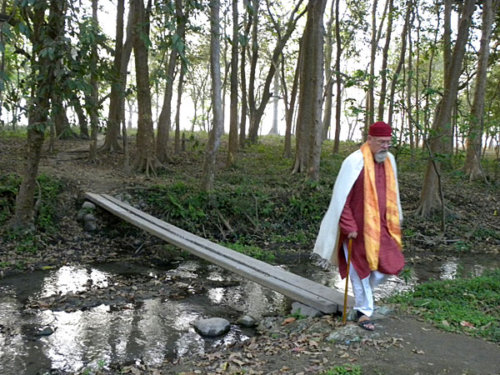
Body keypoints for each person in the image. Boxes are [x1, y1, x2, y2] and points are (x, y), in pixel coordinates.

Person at [313, 121, 405, 331]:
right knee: (360, 270)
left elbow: (393, 193)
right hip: (357, 230)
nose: (385, 146)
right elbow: (341, 198)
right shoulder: (354, 162)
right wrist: (348, 225)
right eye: (381, 142)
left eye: (388, 142)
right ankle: (365, 312)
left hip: (382, 227)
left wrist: (394, 218)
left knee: (389, 266)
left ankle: (366, 299)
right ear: (370, 139)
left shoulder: (389, 160)